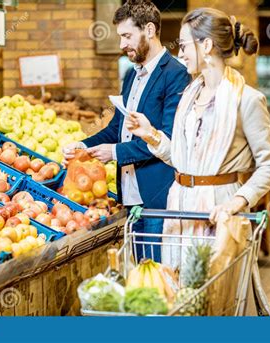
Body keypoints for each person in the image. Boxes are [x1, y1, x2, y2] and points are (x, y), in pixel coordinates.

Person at [126, 8, 270, 267]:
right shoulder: (188, 96)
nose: (181, 53)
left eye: (185, 45)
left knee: (216, 296)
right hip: (179, 208)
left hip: (219, 210)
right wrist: (150, 134)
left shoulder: (247, 100)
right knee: (179, 289)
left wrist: (236, 202)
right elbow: (181, 158)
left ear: (206, 45)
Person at [63, 0, 191, 262]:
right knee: (137, 275)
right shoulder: (131, 76)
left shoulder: (176, 74)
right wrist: (82, 145)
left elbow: (168, 139)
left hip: (158, 198)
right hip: (129, 198)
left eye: (127, 36)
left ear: (150, 30)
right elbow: (116, 130)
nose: (122, 45)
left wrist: (115, 152)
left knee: (156, 275)